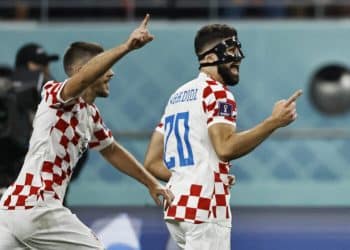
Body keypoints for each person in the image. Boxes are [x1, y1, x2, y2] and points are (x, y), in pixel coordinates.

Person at [0, 14, 173, 249]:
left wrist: (151, 183)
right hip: (37, 207)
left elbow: (111, 150)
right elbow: (80, 82)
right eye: (105, 67)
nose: (111, 73)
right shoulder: (54, 93)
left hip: (13, 210)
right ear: (83, 70)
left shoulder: (90, 115)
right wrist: (126, 47)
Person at [144, 23, 302, 249]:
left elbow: (151, 162)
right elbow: (225, 148)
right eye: (230, 51)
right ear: (208, 57)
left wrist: (197, 174)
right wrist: (273, 122)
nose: (237, 58)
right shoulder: (218, 92)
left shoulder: (177, 96)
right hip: (205, 208)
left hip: (177, 208)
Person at [15, 42, 89, 206]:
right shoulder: (9, 98)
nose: (45, 70)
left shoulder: (56, 97)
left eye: (46, 64)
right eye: (39, 65)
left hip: (50, 187)